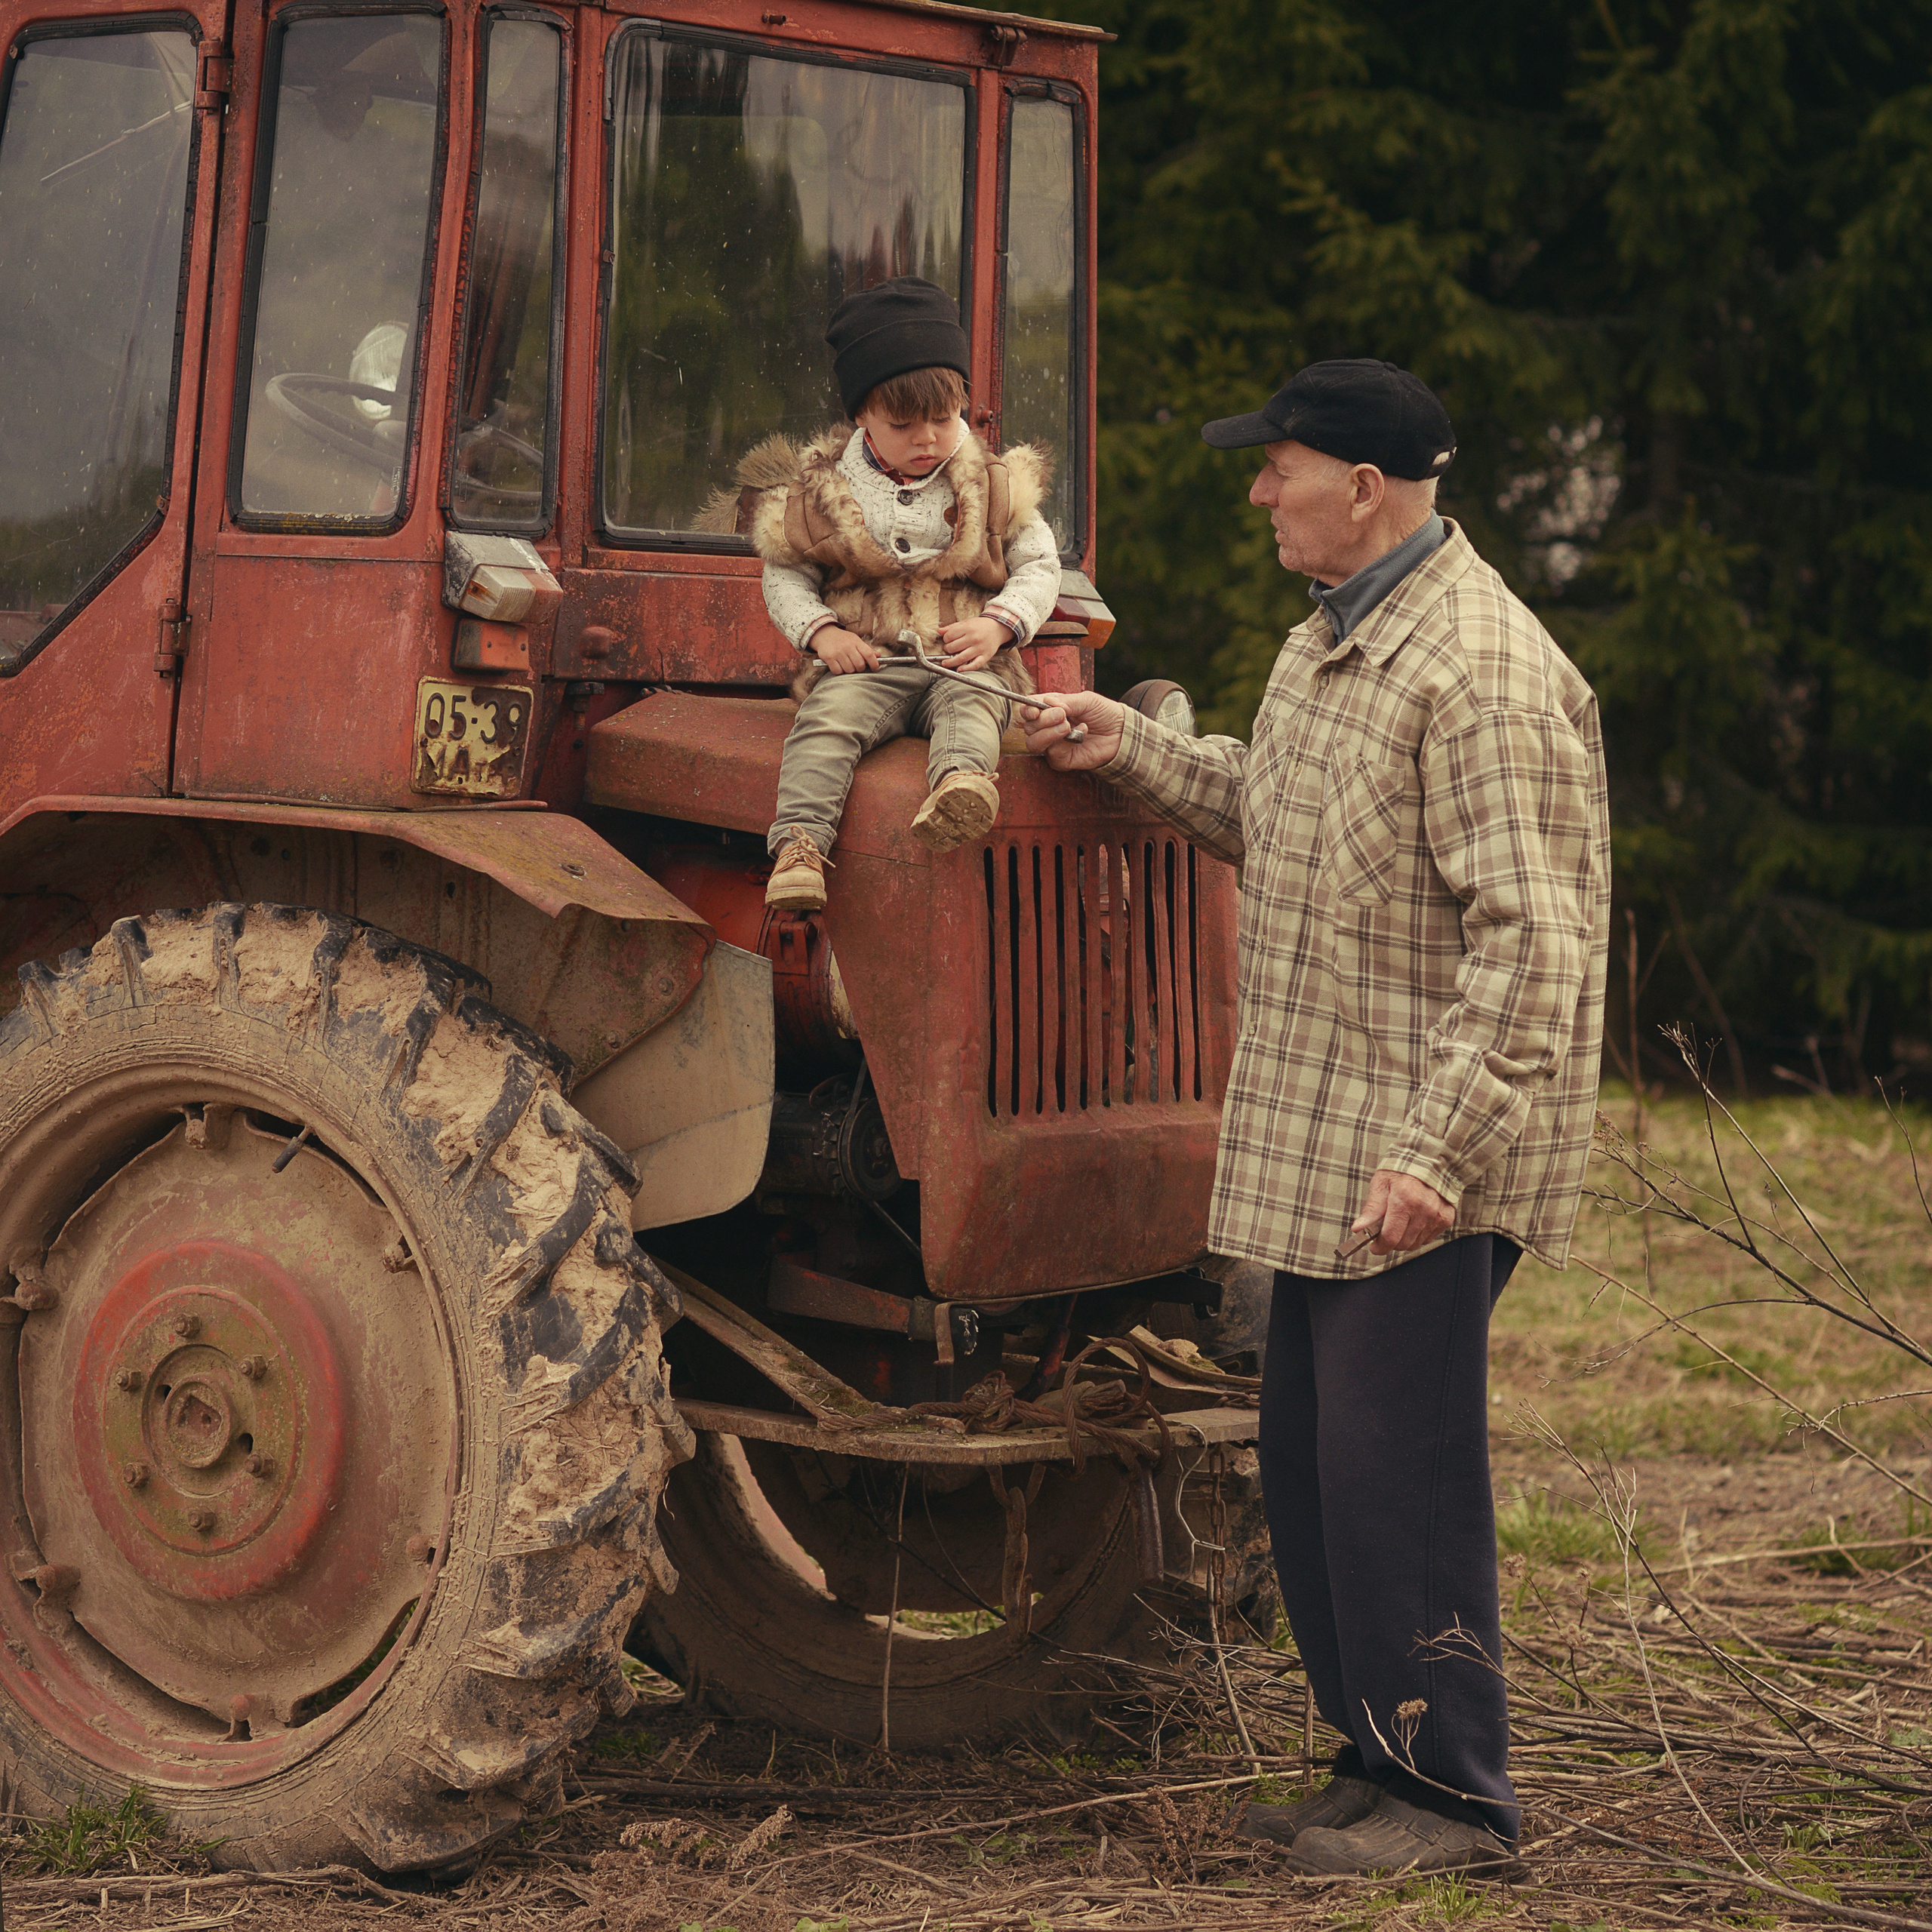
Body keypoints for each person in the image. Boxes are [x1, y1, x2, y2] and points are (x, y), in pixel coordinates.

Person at [1023, 360, 1611, 1880]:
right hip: (1330, 1144)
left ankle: (1454, 1799)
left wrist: (1436, 1153)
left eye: (1275, 465)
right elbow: (1273, 818)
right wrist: (1128, 746)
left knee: (1399, 1475)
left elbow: (1533, 947)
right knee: (1312, 1462)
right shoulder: (1335, 642)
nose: (1256, 490)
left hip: (1420, 1153)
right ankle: (1374, 1762)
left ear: (1361, 486)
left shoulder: (1480, 672)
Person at [697, 278, 1063, 912]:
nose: (928, 439)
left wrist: (1000, 625)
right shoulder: (823, 492)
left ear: (963, 405)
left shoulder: (992, 484)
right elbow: (785, 574)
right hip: (869, 662)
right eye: (903, 425)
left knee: (976, 708)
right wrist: (822, 633)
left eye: (943, 420)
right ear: (861, 415)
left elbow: (1040, 565)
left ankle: (961, 786)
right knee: (826, 723)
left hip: (963, 659)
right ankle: (800, 847)